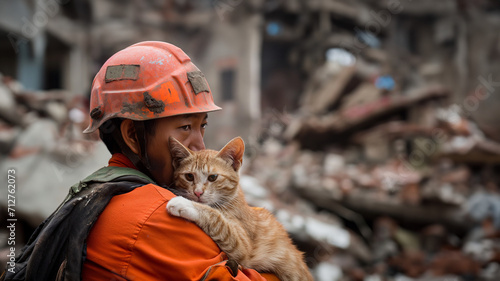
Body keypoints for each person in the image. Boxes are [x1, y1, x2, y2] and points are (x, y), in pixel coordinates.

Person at [1, 41, 279, 281]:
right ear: (133, 136)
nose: (199, 145)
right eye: (185, 128)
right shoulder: (159, 217)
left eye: (202, 126)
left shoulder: (97, 189)